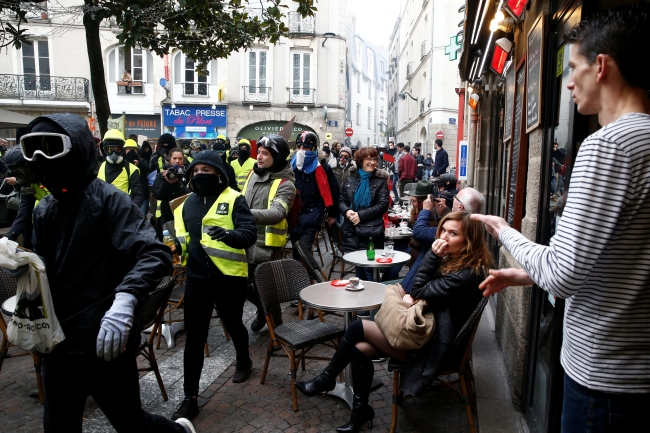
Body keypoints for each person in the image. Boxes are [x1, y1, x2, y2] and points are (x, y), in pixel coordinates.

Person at [473, 4, 650, 431]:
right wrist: (525, 276)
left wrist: (504, 231)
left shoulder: (608, 147)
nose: (568, 82)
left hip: (602, 377)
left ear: (602, 66)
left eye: (574, 67)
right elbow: (619, 262)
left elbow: (564, 273)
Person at [18, 113, 195, 432]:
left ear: (77, 151)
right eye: (34, 151)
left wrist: (125, 301)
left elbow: (154, 252)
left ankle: (178, 431)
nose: (43, 161)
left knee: (131, 424)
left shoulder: (109, 200)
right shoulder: (46, 208)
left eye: (52, 150)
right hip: (58, 344)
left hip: (104, 338)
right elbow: (49, 267)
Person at [296, 211, 491, 432]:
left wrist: (433, 258)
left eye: (453, 233)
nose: (443, 237)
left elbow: (416, 288)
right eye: (443, 230)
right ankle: (360, 411)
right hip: (429, 334)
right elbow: (419, 290)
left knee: (357, 327)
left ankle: (327, 379)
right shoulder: (459, 263)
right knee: (360, 349)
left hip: (434, 349)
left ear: (470, 240)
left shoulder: (465, 275)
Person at [171, 150, 257, 421]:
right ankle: (190, 397)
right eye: (195, 171)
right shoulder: (185, 204)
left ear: (219, 173)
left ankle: (244, 359)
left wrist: (230, 235)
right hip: (196, 279)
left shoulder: (234, 198)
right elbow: (184, 241)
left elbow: (249, 234)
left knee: (233, 324)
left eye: (206, 170)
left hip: (228, 277)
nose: (200, 175)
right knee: (195, 337)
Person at [241, 134, 295, 332]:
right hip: (245, 240)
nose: (259, 157)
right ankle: (261, 312)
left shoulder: (286, 184)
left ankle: (277, 330)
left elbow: (278, 213)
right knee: (243, 287)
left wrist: (245, 214)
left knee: (268, 291)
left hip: (268, 246)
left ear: (277, 158)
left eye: (265, 154)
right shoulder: (252, 174)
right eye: (259, 153)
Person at [339, 146, 389, 281]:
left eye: (375, 159)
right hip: (352, 231)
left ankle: (373, 300)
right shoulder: (350, 179)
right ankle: (360, 300)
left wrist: (360, 215)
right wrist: (347, 211)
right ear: (361, 161)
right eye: (369, 159)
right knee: (359, 269)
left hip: (371, 232)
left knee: (370, 270)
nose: (373, 162)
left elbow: (383, 205)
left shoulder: (380, 181)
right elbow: (341, 200)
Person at [290, 131, 340, 260]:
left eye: (305, 147)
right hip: (294, 214)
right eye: (299, 147)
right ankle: (307, 275)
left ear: (312, 148)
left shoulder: (323, 167)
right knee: (297, 249)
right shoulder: (291, 165)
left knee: (303, 250)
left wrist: (332, 214)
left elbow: (334, 191)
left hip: (312, 213)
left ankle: (306, 275)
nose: (301, 151)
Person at [2, 146, 49, 249]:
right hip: (42, 220)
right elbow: (24, 213)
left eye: (19, 172)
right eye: (14, 173)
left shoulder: (55, 176)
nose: (18, 177)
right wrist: (9, 236)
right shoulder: (29, 183)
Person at [98, 129, 144, 209]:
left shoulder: (132, 169)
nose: (114, 153)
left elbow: (138, 195)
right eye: (109, 149)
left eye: (117, 149)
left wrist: (129, 212)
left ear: (122, 149)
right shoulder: (98, 167)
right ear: (104, 150)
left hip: (123, 215)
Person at [152, 147, 191, 237]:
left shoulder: (188, 175)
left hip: (185, 214)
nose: (177, 161)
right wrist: (166, 182)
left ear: (183, 160)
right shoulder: (161, 176)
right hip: (167, 215)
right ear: (170, 159)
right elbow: (157, 195)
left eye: (180, 158)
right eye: (174, 158)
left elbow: (190, 194)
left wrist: (176, 183)